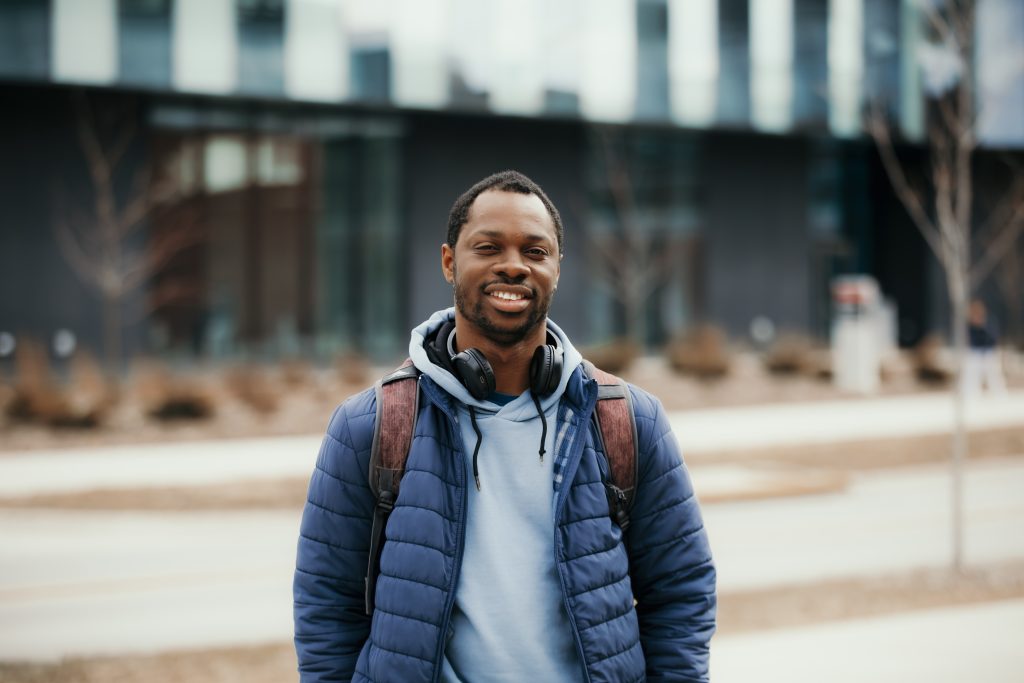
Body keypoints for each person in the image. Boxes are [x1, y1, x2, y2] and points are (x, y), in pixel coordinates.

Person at [293, 170, 716, 682]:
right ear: (450, 261)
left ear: (558, 267)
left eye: (535, 252)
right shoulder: (372, 425)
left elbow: (680, 592)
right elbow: (327, 608)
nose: (512, 266)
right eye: (488, 247)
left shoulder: (627, 420)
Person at [964, 299, 1007, 394]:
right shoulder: (969, 325)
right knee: (971, 376)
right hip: (975, 353)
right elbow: (971, 339)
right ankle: (971, 394)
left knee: (994, 376)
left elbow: (993, 338)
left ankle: (999, 395)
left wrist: (982, 327)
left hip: (989, 352)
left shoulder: (989, 322)